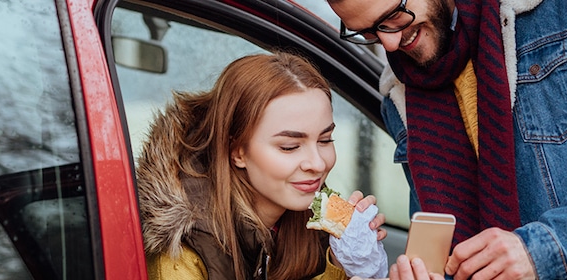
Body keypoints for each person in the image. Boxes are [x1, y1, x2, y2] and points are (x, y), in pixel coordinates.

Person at [325, 0, 567, 279]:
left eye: (393, 16)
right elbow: (445, 237)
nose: (390, 44)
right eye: (369, 33)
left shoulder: (565, 7)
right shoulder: (400, 92)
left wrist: (542, 249)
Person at [135, 52, 387, 280]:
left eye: (325, 140)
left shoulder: (308, 221)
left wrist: (343, 261)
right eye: (289, 146)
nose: (318, 163)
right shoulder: (183, 251)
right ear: (237, 152)